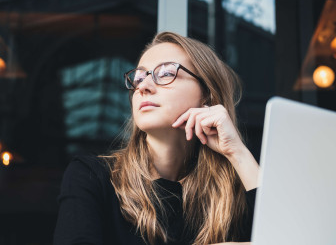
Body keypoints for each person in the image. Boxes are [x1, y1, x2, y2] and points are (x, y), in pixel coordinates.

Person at [53, 32, 260, 245]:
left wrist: (237, 152)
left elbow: (287, 232)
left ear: (206, 93)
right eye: (139, 78)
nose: (143, 86)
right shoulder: (92, 177)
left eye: (165, 73)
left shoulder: (233, 193)